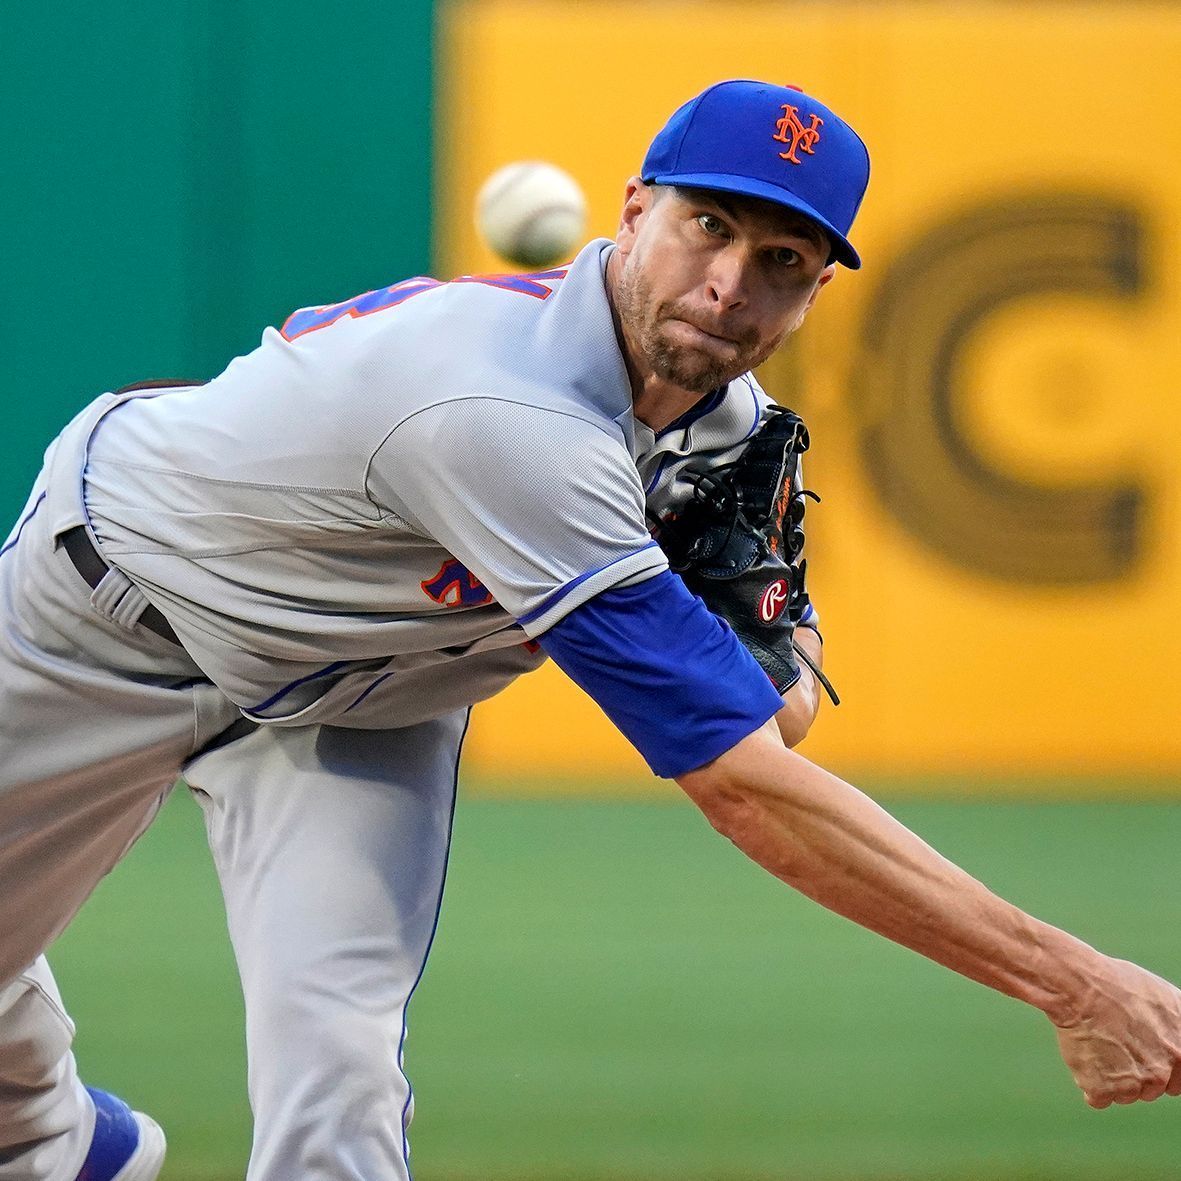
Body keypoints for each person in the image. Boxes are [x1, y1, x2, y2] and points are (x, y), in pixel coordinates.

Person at [1, 77, 1178, 1181]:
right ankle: (59, 1141)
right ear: (631, 212)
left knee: (339, 1074)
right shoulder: (501, 412)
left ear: (818, 291)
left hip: (365, 694)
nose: (728, 284)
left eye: (780, 259)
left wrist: (769, 642)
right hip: (109, 621)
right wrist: (1070, 981)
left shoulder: (726, 429)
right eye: (707, 227)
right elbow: (742, 785)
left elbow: (776, 716)